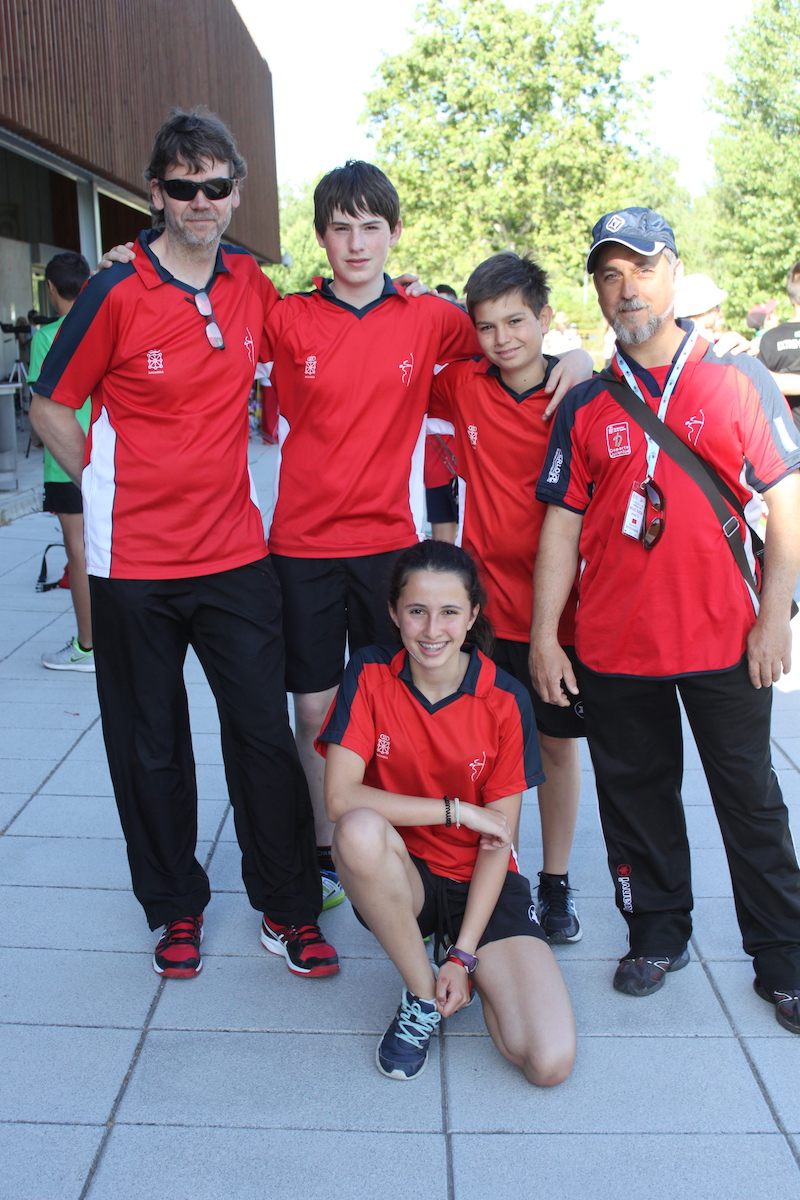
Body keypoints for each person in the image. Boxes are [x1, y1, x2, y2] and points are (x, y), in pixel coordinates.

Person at [29, 107, 338, 982]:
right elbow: (50, 404)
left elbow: (313, 347)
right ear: (155, 195)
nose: (199, 201)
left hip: (237, 556)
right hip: (134, 565)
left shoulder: (251, 283)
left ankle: (286, 907)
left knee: (260, 735)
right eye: (181, 187)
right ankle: (174, 907)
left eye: (214, 186)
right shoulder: (115, 289)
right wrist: (103, 476)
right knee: (150, 740)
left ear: (235, 193)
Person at [261, 161, 589, 910]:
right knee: (315, 712)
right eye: (340, 228)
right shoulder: (284, 314)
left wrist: (577, 355)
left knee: (410, 708)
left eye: (370, 226)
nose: (355, 243)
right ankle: (327, 850)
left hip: (390, 548)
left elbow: (511, 342)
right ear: (320, 237)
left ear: (393, 233)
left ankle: (474, 861)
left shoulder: (430, 320)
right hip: (302, 546)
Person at [530, 206, 800, 1034]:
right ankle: (658, 932)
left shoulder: (735, 378)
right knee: (636, 796)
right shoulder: (586, 404)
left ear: (673, 272)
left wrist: (777, 615)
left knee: (748, 800)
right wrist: (546, 635)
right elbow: (562, 529)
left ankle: (784, 957)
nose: (625, 288)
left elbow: (785, 505)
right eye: (608, 275)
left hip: (727, 637)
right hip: (614, 644)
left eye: (640, 268)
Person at [317, 540, 576, 1083]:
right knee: (358, 832)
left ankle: (461, 965)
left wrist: (462, 957)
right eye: (417, 611)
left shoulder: (505, 699)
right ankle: (420, 995)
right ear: (394, 612)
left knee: (547, 1061)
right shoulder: (367, 673)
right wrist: (457, 811)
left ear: (473, 615)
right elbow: (340, 798)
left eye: (449, 612)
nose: (432, 629)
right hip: (405, 876)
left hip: (480, 881)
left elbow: (497, 845)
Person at [427, 251, 591, 943]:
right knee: (479, 753)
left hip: (561, 615)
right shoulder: (462, 384)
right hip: (485, 612)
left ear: (545, 318)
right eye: (487, 326)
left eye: (517, 321)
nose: (503, 339)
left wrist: (582, 359)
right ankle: (485, 878)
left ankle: (554, 883)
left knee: (554, 750)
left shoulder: (582, 394)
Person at [28, 252, 94, 672]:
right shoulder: (102, 327)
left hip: (65, 460)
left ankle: (88, 646)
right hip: (106, 453)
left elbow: (42, 409)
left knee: (80, 551)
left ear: (50, 289)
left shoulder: (46, 337)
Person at [758, 263, 800, 433]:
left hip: (787, 447)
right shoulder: (770, 338)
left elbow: (759, 384)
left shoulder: (771, 338)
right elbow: (758, 383)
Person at [673, 272, 728, 342]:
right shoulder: (706, 342)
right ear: (705, 310)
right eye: (717, 306)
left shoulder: (675, 340)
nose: (718, 311)